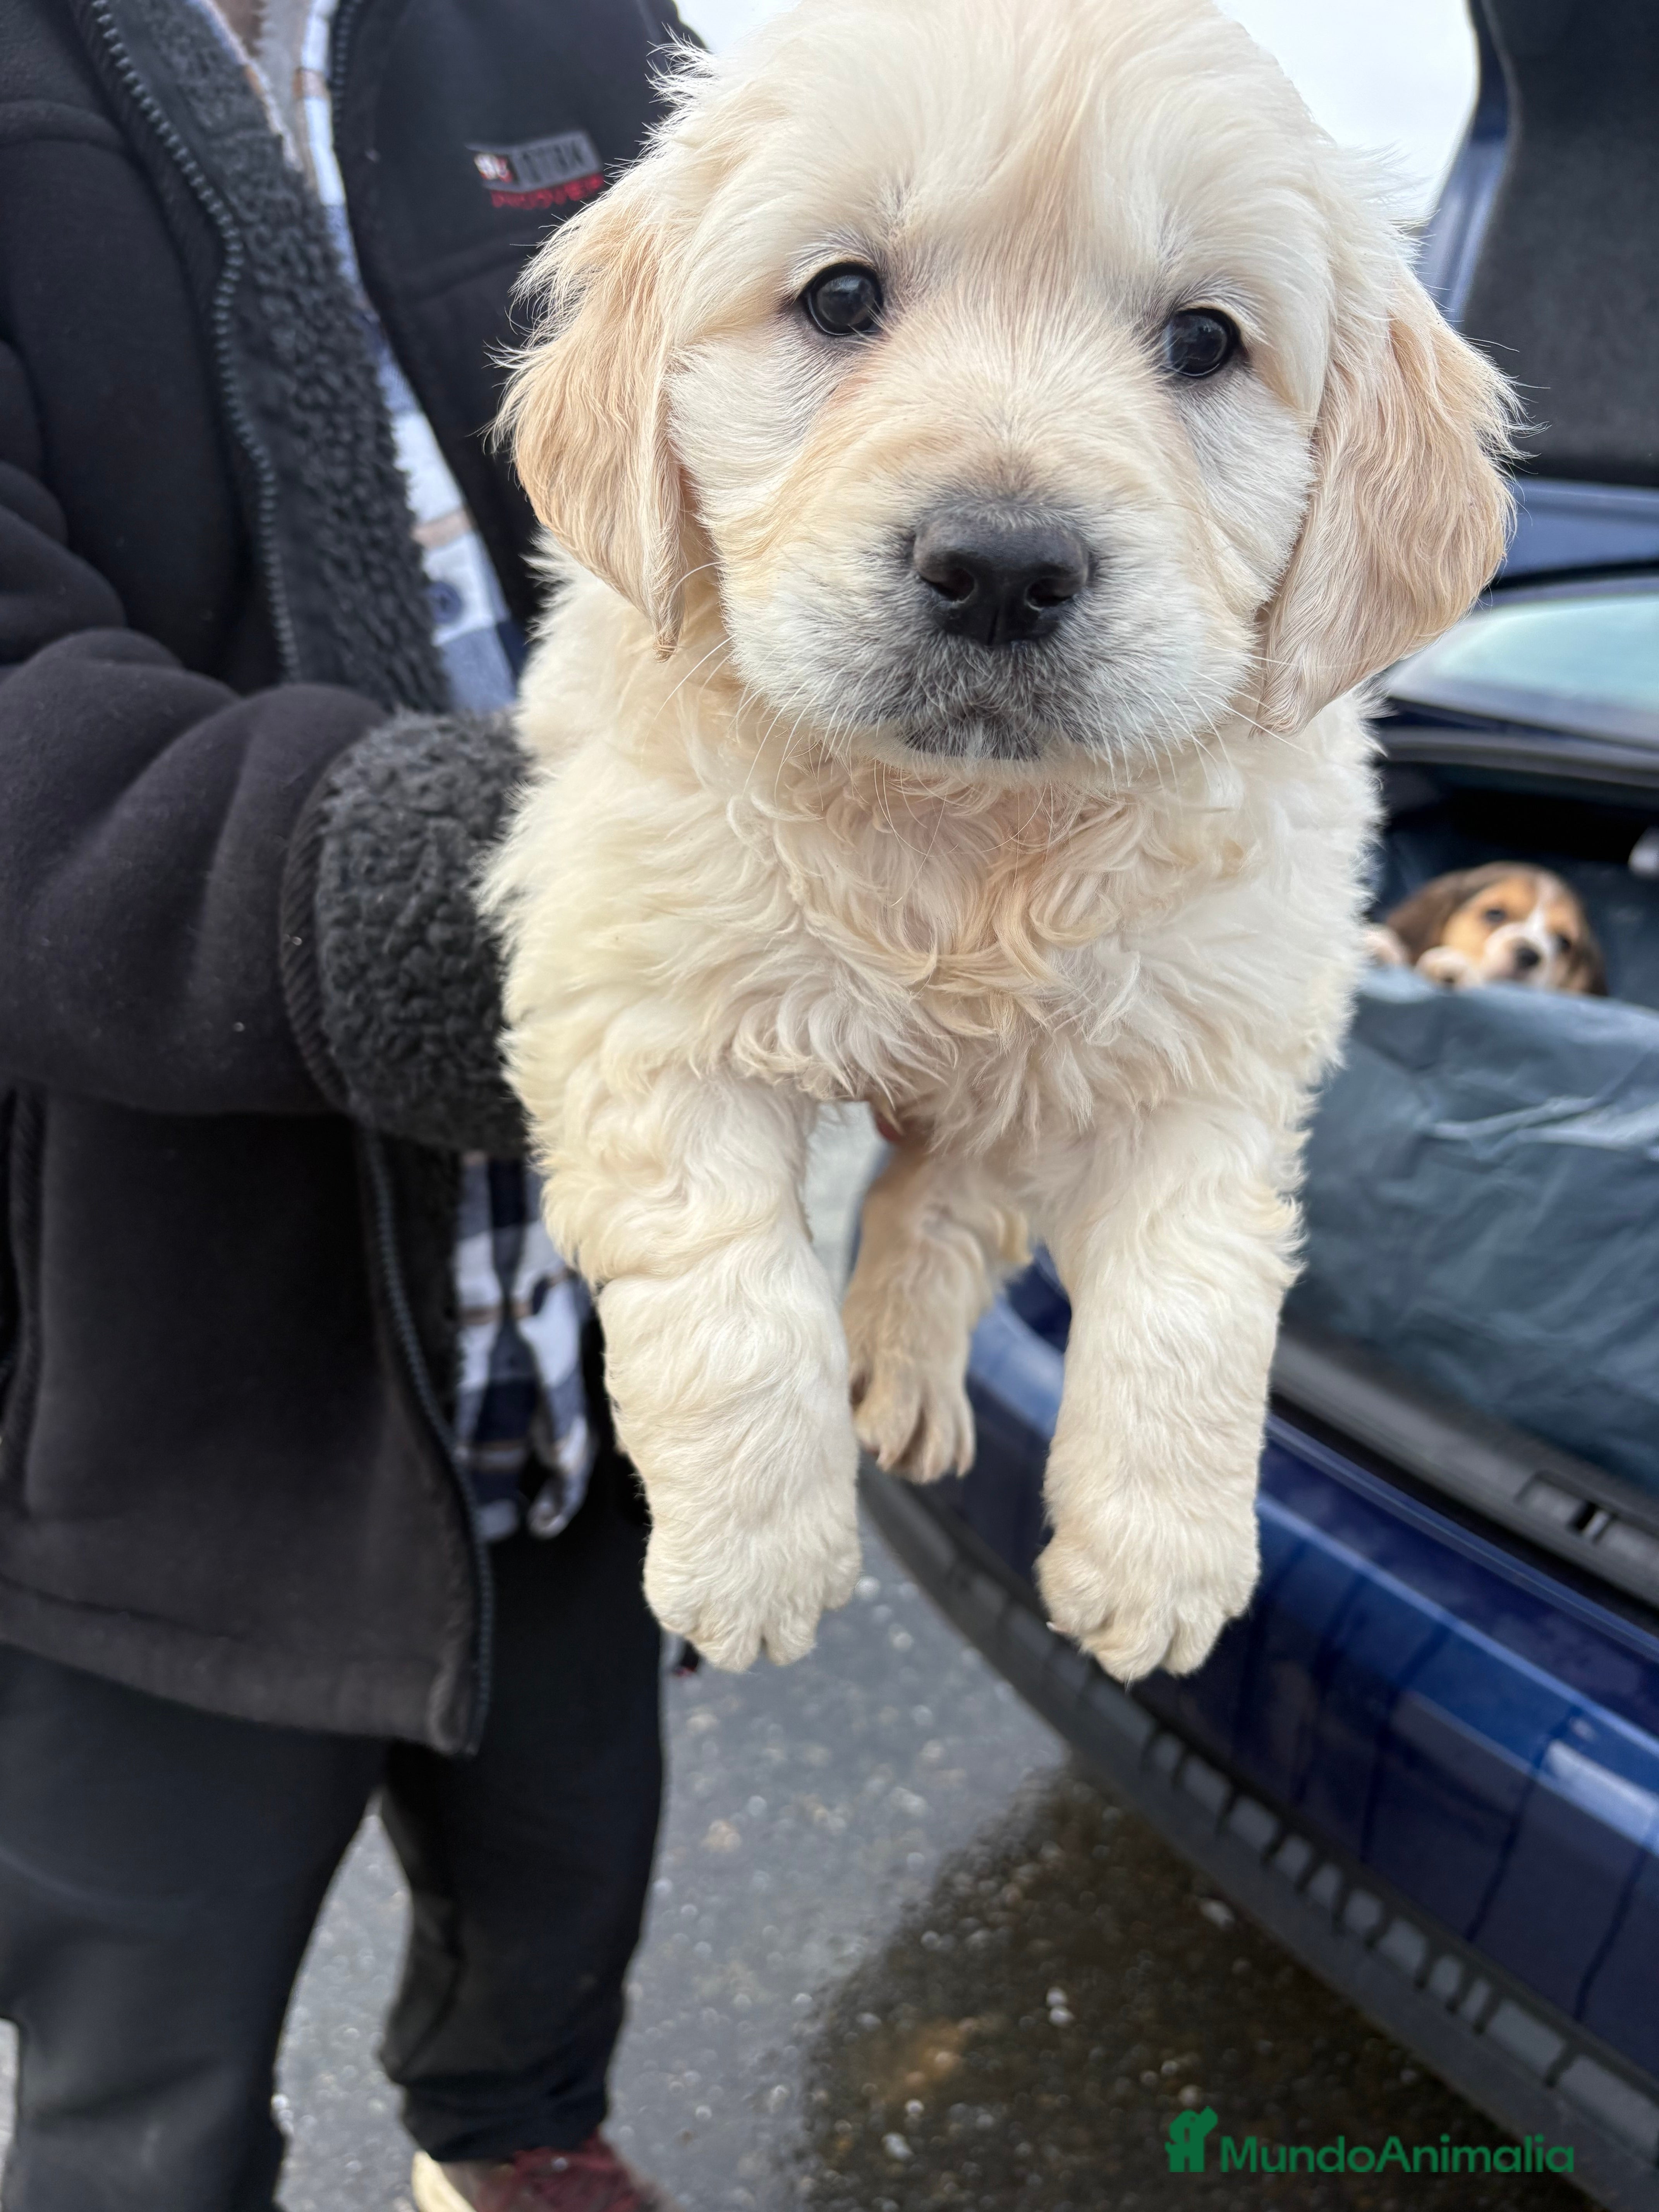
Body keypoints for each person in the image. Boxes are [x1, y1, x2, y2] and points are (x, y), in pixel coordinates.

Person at [0, 2, 694, 2207]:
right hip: (148, 1386)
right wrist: (557, 914)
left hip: (583, 1297)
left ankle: (514, 2138)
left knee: (571, 1855)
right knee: (145, 2066)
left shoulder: (584, 25)